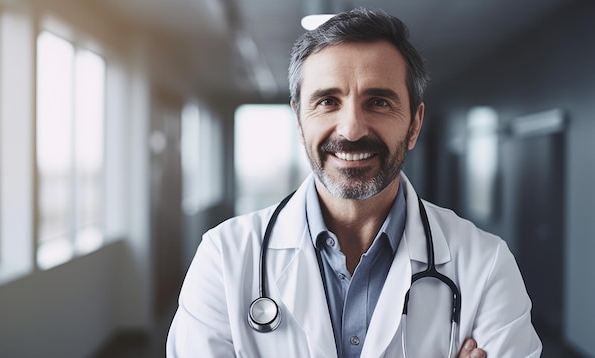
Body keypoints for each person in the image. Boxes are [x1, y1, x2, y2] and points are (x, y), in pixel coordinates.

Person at [167, 8, 542, 358]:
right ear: (299, 121)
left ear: (414, 124)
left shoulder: (486, 264)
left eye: (378, 102)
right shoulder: (224, 258)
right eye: (328, 101)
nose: (351, 129)